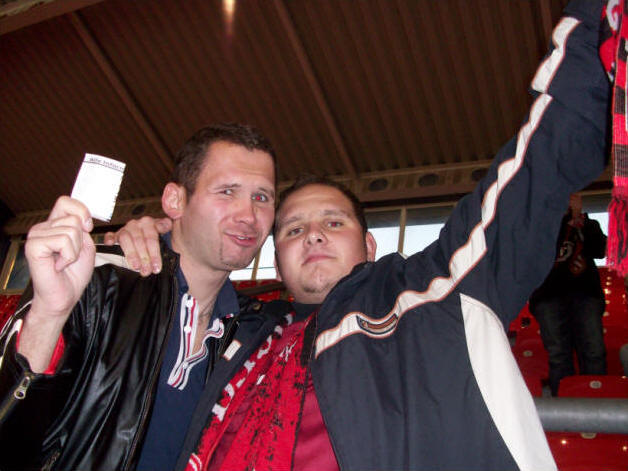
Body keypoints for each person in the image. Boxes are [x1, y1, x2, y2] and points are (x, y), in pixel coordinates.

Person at [110, 2, 611, 469]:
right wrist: (161, 239)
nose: (313, 236)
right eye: (293, 229)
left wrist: (595, 23)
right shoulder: (239, 335)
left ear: (370, 246)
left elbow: (541, 161)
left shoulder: (432, 297)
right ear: (276, 259)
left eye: (334, 222)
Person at [0, 123, 277, 470]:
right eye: (227, 191)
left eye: (262, 197)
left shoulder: (254, 329)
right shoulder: (92, 279)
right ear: (175, 200)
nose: (248, 215)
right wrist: (49, 315)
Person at [529, 193, 608, 396]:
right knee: (558, 355)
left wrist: (579, 219)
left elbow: (600, 249)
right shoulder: (536, 228)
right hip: (548, 297)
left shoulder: (587, 224)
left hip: (585, 294)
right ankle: (565, 409)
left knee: (594, 351)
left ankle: (597, 405)